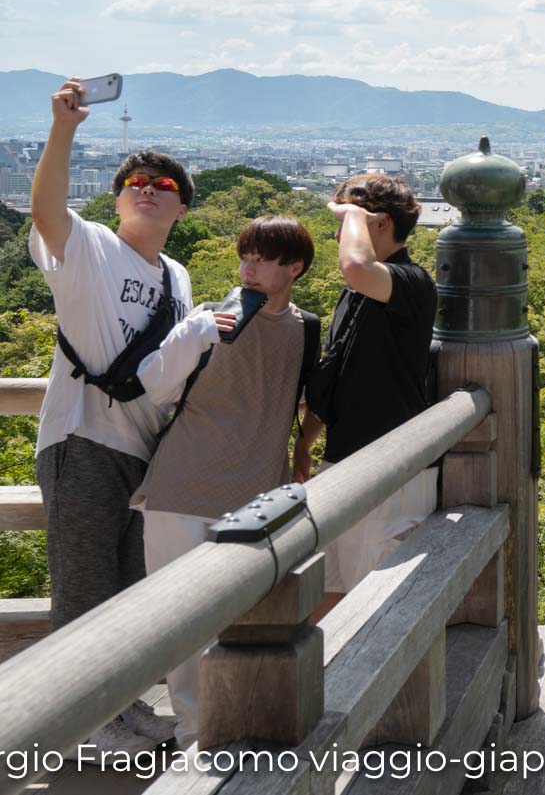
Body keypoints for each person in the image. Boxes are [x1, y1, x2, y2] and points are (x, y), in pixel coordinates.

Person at [27, 78, 195, 753]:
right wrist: (63, 129)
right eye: (134, 179)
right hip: (83, 438)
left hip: (144, 450)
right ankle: (81, 726)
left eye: (161, 182)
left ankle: (120, 707)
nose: (146, 185)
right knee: (84, 587)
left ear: (183, 206)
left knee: (127, 591)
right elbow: (45, 211)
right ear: (117, 196)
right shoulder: (90, 246)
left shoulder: (177, 277)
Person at [132, 216, 319, 750]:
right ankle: (195, 740)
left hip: (257, 495)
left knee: (250, 623)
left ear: (295, 267)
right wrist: (196, 333)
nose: (248, 267)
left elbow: (302, 398)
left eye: (261, 259)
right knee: (182, 625)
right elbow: (155, 386)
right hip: (183, 487)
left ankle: (247, 733)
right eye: (245, 257)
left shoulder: (305, 327)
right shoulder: (207, 320)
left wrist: (304, 448)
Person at [298, 175, 437, 596]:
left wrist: (353, 212)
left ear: (379, 224)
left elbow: (357, 266)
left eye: (346, 223)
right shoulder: (356, 294)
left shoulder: (413, 282)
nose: (339, 233)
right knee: (332, 593)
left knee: (374, 601)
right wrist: (304, 446)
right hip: (342, 463)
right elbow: (339, 372)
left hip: (391, 471)